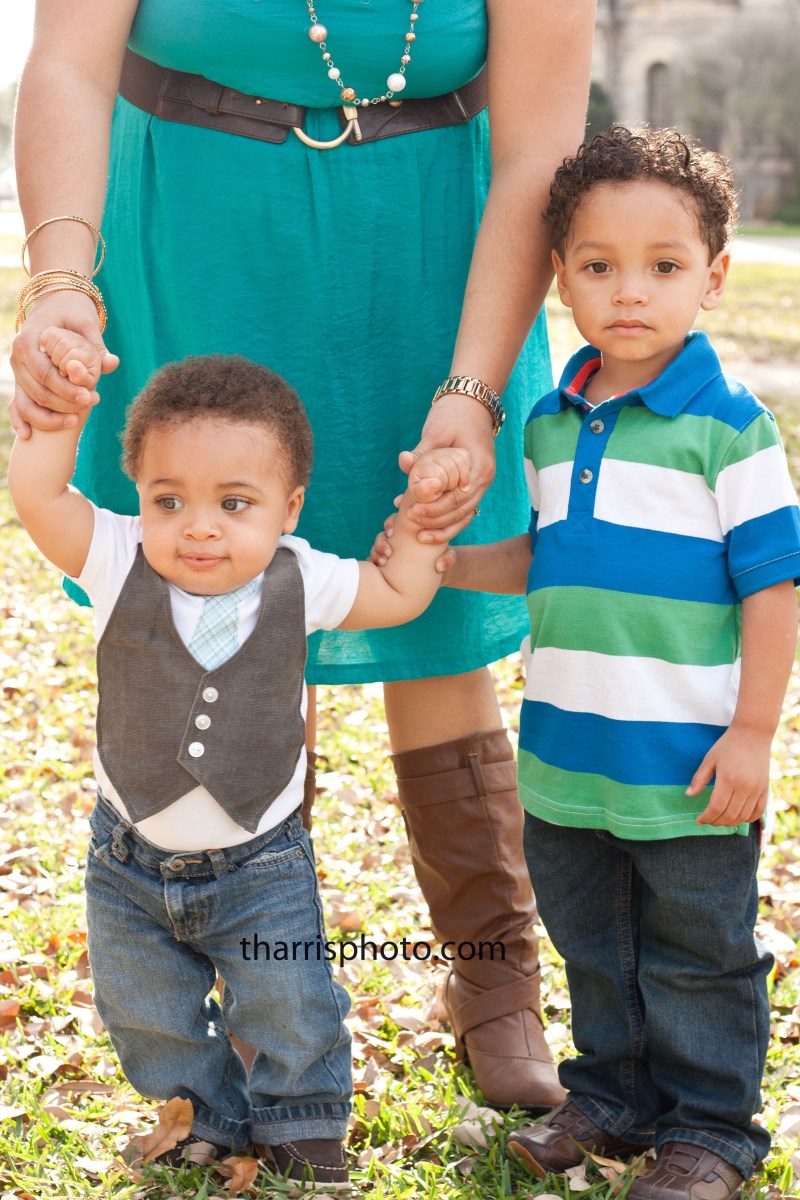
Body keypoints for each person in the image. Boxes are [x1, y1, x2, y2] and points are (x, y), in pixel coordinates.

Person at [8, 0, 595, 1110]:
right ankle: (250, 998)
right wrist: (60, 285)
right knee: (224, 615)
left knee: (434, 603)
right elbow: (69, 68)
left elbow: (537, 154)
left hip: (436, 250)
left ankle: (491, 982)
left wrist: (470, 394)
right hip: (196, 231)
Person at [418, 127, 800, 1198]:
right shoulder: (546, 423)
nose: (627, 292)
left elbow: (772, 587)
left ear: (711, 278)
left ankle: (713, 1128)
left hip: (685, 764)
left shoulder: (730, 431)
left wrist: (754, 734)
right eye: (596, 266)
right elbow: (552, 558)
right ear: (558, 277)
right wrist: (446, 565)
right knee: (593, 940)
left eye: (663, 267)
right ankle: (613, 1099)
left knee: (695, 950)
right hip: (566, 755)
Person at [8, 350, 468, 1185]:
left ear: (288, 509)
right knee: (144, 1008)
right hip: (129, 861)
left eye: (235, 503)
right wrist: (58, 426)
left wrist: (424, 528)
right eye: (169, 500)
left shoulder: (305, 579)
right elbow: (40, 497)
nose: (200, 526)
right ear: (139, 496)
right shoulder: (118, 559)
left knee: (286, 997)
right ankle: (201, 1114)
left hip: (261, 860)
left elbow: (397, 594)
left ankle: (300, 1121)